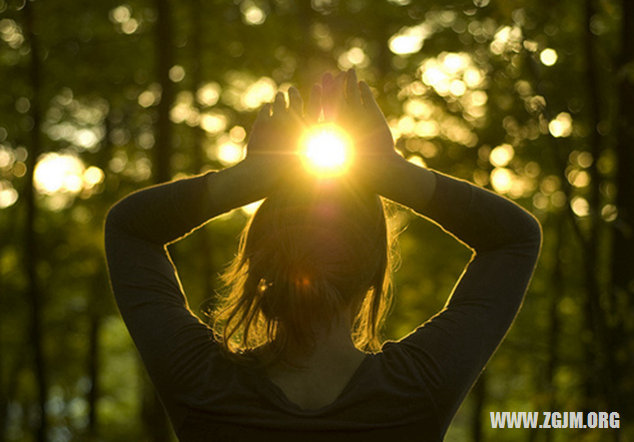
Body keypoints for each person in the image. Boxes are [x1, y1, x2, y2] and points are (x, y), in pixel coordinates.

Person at [104, 69, 541, 441]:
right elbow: (513, 237)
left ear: (258, 261)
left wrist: (251, 176)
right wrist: (391, 171)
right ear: (374, 273)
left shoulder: (202, 384)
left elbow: (131, 228)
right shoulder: (417, 388)